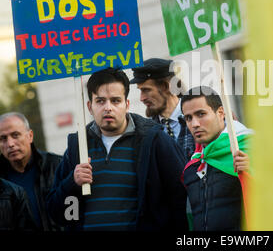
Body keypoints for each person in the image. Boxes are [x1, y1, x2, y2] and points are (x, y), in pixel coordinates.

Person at [46, 67, 188, 231]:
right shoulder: (77, 147)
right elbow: (57, 214)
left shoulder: (154, 140)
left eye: (115, 101)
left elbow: (180, 200)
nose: (108, 107)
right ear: (89, 106)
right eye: (100, 101)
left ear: (126, 104)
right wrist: (72, 183)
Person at [180, 86, 252, 231]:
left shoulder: (249, 149)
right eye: (188, 118)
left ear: (220, 113)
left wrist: (255, 170)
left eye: (201, 114)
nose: (194, 124)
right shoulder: (191, 167)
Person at [0, 112, 62, 231]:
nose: (10, 144)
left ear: (30, 136)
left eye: (15, 135)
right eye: (3, 138)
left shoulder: (58, 165)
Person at [130, 58, 195, 160]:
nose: (141, 98)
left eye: (146, 90)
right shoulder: (146, 131)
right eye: (140, 91)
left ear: (166, 86)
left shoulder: (198, 119)